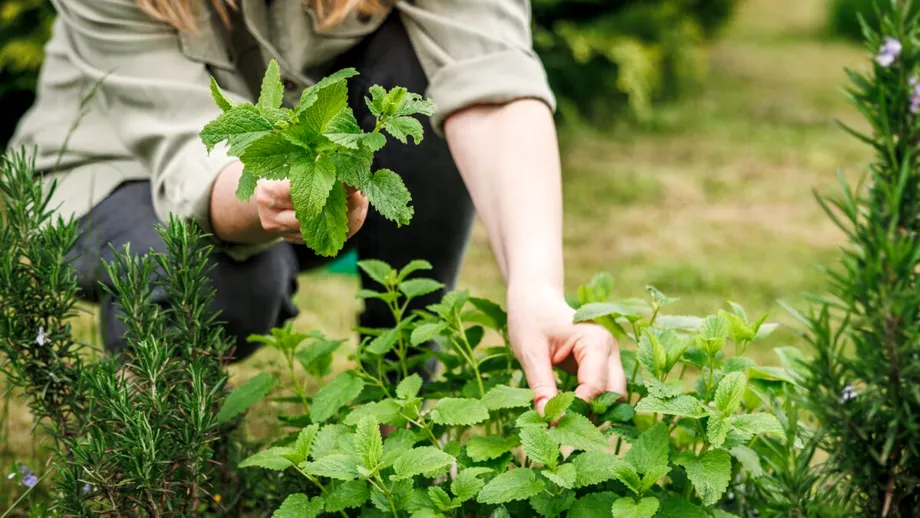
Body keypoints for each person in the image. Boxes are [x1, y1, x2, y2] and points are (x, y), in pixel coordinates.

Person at [8, 0, 626, 413]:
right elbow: (190, 148)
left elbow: (487, 78)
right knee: (218, 286)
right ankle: (154, 432)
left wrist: (537, 289)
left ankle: (403, 392)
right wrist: (274, 194)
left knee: (420, 80)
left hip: (305, 171)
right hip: (111, 171)